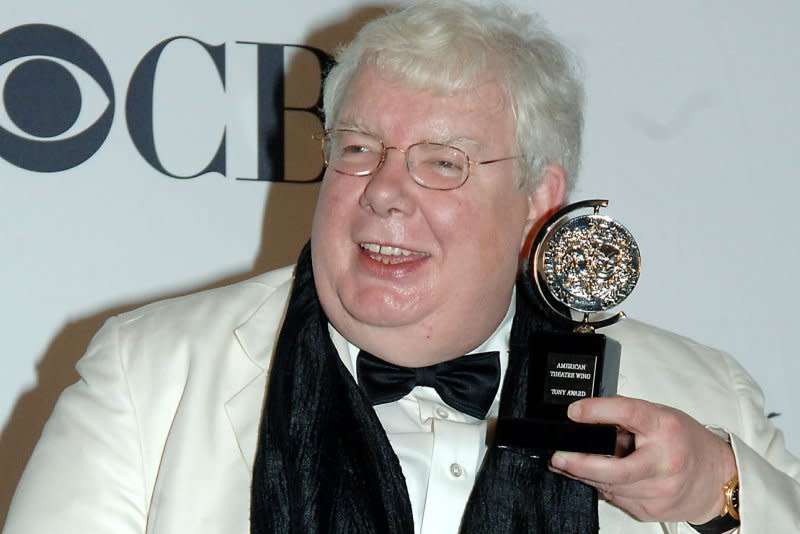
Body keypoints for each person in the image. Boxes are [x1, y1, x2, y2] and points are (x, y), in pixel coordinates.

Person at [4, 1, 800, 533]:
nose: (384, 193)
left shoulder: (699, 397)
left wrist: (719, 494)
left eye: (442, 163)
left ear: (537, 197)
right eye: (359, 150)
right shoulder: (151, 377)